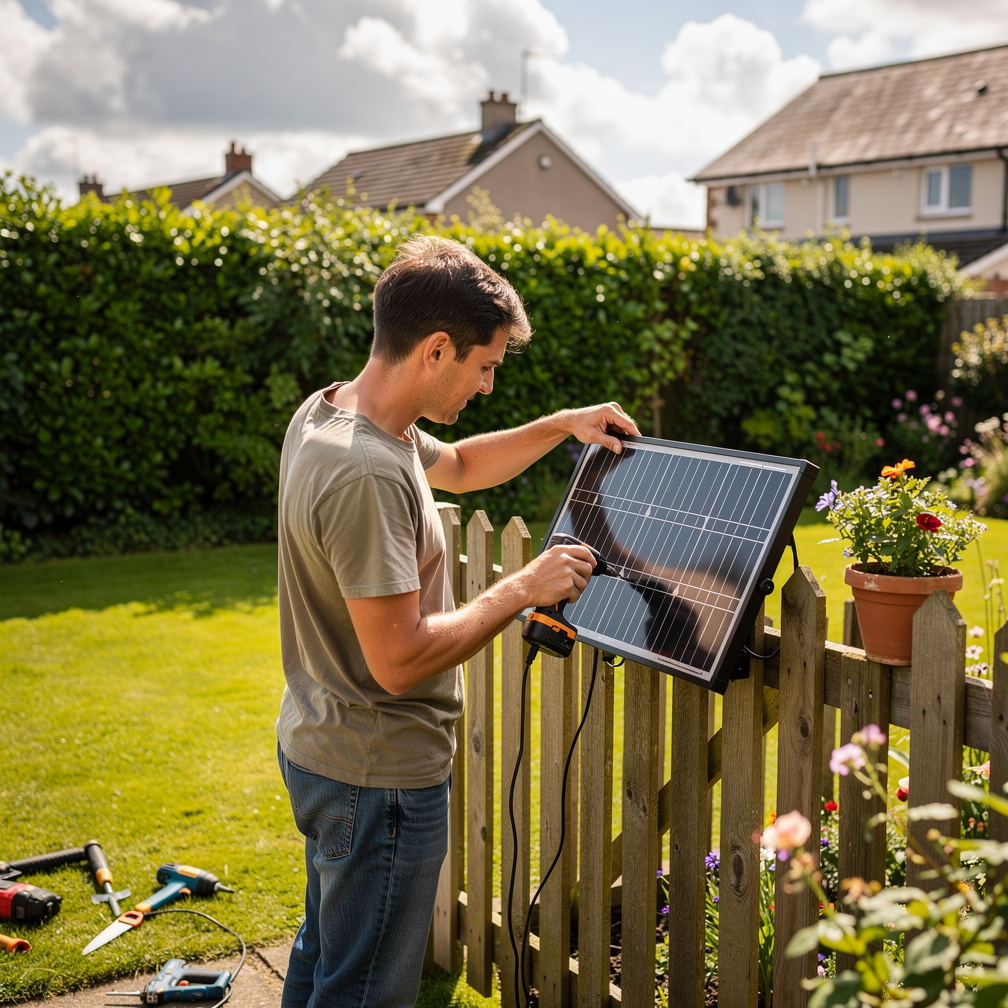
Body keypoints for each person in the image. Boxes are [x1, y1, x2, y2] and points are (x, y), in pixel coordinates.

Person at [275, 234, 639, 1008]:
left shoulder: (342, 414)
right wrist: (521, 589)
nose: (488, 384)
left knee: (323, 959)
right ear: (437, 348)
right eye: (485, 365)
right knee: (365, 990)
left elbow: (465, 467)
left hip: (323, 746)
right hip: (377, 779)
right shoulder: (365, 472)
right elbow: (398, 661)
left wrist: (560, 424)